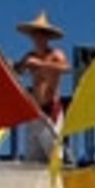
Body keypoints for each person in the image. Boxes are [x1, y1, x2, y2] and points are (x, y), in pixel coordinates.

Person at [15, 12, 70, 156]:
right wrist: (21, 65)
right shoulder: (30, 56)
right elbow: (17, 71)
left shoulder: (56, 54)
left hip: (51, 109)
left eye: (42, 35)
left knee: (54, 155)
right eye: (36, 35)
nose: (38, 38)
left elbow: (66, 68)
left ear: (47, 38)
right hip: (35, 110)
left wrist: (40, 65)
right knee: (33, 156)